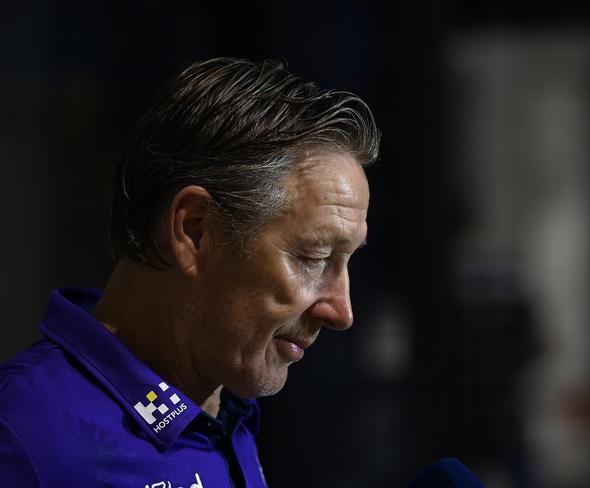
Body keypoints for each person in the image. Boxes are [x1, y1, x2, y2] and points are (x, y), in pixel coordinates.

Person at [0, 57, 379, 487]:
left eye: (347, 262)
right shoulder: (23, 435)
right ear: (195, 230)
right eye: (314, 257)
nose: (342, 311)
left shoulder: (225, 410)